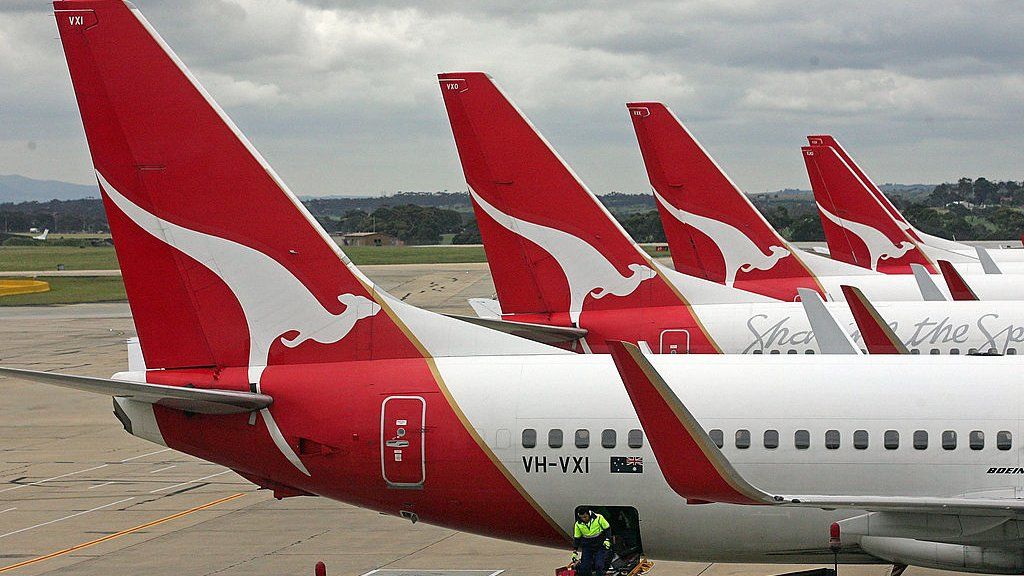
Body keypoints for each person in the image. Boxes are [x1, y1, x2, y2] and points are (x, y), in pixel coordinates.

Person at [572, 509, 611, 576]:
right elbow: (577, 538)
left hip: (599, 544)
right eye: (581, 517)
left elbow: (607, 529)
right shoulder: (578, 524)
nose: (583, 519)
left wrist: (607, 540)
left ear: (589, 514)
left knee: (599, 565)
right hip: (587, 545)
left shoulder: (599, 518)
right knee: (584, 567)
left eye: (585, 517)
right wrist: (575, 551)